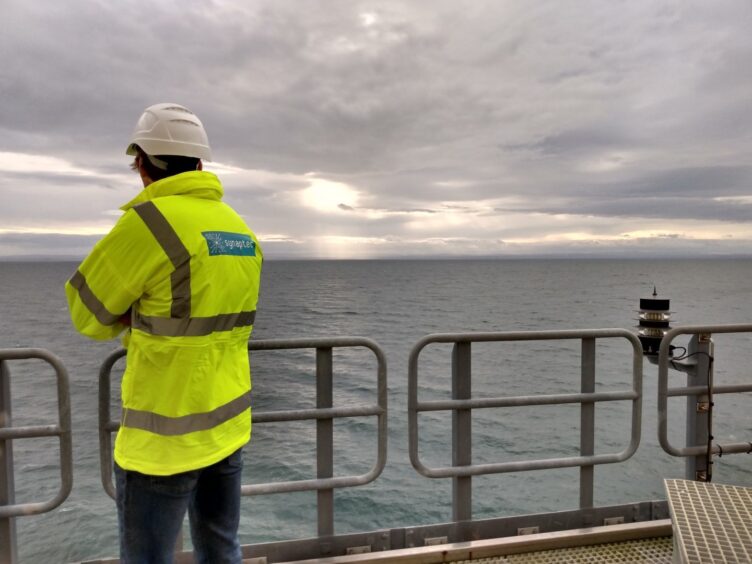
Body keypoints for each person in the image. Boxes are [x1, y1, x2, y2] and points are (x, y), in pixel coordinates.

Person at [65, 103, 263, 563]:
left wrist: (133, 316)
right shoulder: (240, 230)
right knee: (221, 548)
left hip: (163, 437)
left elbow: (86, 314)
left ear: (141, 164)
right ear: (199, 164)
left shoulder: (146, 225)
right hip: (227, 425)